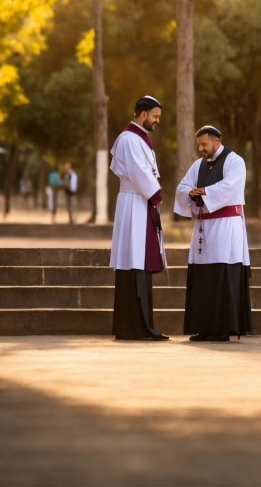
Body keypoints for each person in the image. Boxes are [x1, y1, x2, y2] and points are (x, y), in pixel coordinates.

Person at [174, 125, 252, 342]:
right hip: (203, 227)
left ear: (216, 142)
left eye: (204, 144)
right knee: (202, 278)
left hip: (227, 226)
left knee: (221, 274)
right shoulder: (198, 165)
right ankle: (203, 328)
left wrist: (204, 191)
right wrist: (191, 191)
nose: (201, 148)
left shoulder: (235, 161)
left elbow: (230, 187)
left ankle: (222, 328)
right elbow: (182, 187)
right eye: (199, 144)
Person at [109, 95, 168, 341]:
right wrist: (156, 195)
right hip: (135, 203)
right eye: (155, 116)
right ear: (142, 114)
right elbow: (137, 172)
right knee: (134, 260)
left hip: (140, 202)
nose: (157, 121)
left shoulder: (139, 138)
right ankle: (135, 327)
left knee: (139, 261)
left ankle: (138, 327)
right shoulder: (129, 139)